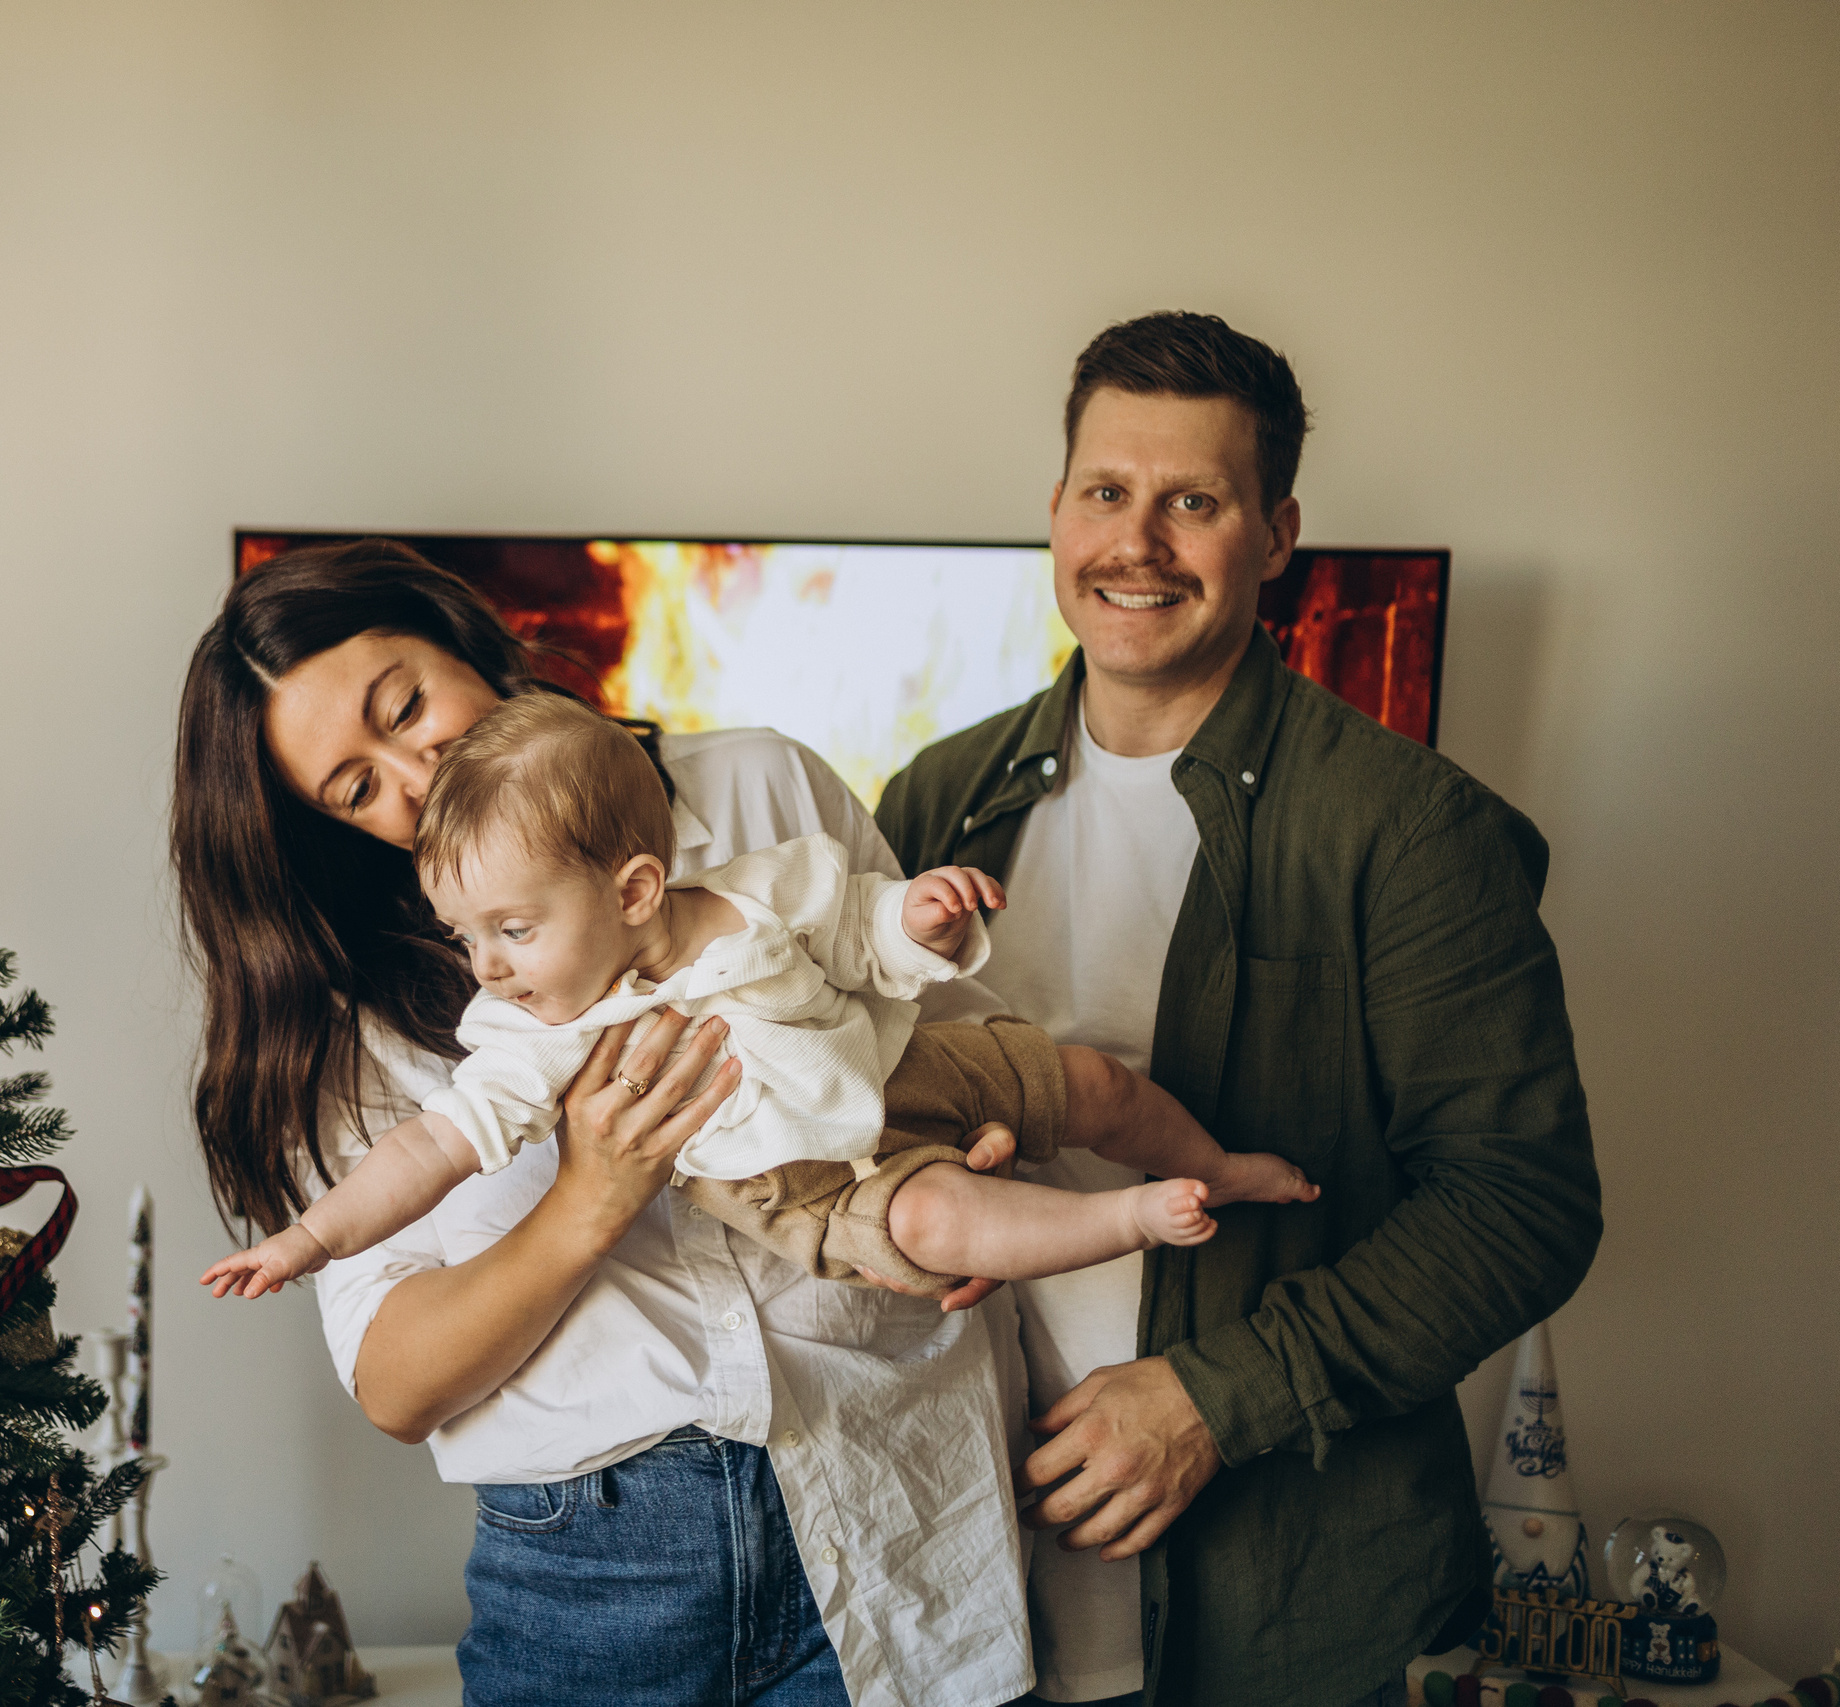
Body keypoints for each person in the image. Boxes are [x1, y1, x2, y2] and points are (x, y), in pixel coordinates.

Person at [875, 312, 1602, 1707]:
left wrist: (1214, 1398)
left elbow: (1525, 1202)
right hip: (972, 1597)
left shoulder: (1410, 828)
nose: (1135, 543)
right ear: (1056, 508)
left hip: (1296, 1604)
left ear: (1274, 535)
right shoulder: (938, 800)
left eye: (1192, 502)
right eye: (1107, 491)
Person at [174, 539, 1034, 1707]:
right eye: (357, 788)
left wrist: (984, 1155)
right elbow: (395, 1384)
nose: (416, 777)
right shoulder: (350, 999)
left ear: (461, 636)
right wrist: (587, 1198)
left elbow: (940, 1023)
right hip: (602, 1560)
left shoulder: (758, 787)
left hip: (890, 1488)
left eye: (406, 705)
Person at [201, 691, 1317, 1305]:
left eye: (511, 931)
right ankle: (1123, 1220)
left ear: (636, 888)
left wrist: (920, 916)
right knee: (936, 1222)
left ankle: (1215, 1165)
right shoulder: (536, 1028)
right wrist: (308, 1238)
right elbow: (427, 1150)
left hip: (895, 1067)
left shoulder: (760, 887)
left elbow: (862, 929)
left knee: (1082, 1078)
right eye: (466, 936)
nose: (485, 967)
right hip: (804, 1180)